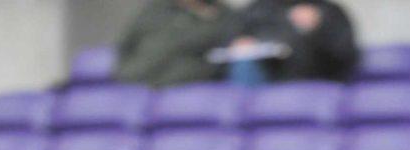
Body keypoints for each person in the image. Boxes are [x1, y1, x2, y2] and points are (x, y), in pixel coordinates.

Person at [225, 0, 357, 86]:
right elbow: (229, 42)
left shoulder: (328, 11)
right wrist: (241, 43)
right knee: (244, 62)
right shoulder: (256, 9)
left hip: (313, 82)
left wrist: (314, 30)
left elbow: (345, 56)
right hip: (263, 81)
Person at [115, 0, 235, 88]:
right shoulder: (156, 10)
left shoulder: (222, 15)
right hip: (136, 77)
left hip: (185, 83)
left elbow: (218, 48)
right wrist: (125, 71)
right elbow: (126, 44)